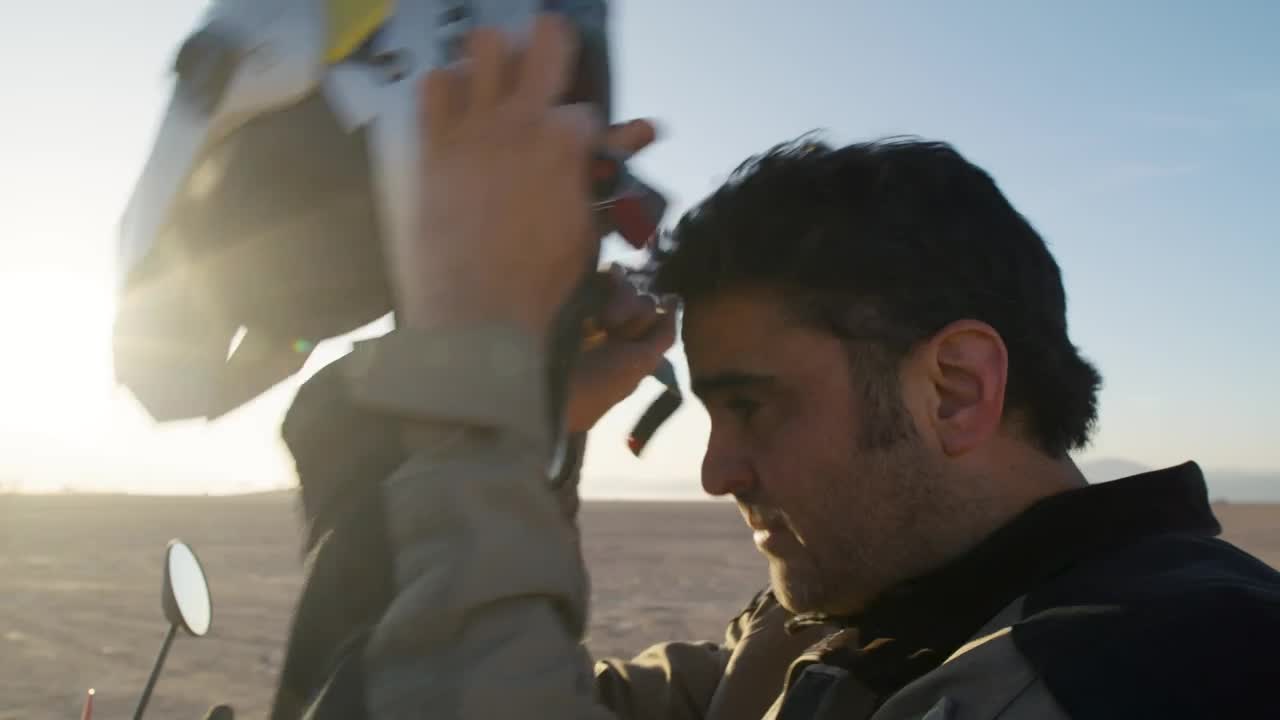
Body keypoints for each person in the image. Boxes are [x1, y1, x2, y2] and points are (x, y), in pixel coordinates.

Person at [268, 15, 1280, 720]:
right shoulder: (844, 629)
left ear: (957, 389)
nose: (718, 472)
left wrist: (471, 356)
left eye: (753, 406)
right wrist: (533, 414)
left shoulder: (1147, 671)